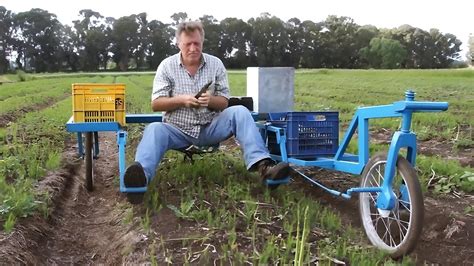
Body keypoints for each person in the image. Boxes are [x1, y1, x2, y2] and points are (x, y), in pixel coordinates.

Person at [124, 21, 290, 202]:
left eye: (197, 43)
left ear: (202, 42)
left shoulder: (215, 64)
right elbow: (156, 104)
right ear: (178, 43)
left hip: (211, 127)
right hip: (178, 130)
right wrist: (183, 100)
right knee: (155, 129)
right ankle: (140, 181)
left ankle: (264, 169)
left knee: (240, 112)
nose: (193, 48)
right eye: (188, 44)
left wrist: (210, 100)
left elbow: (224, 102)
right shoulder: (167, 66)